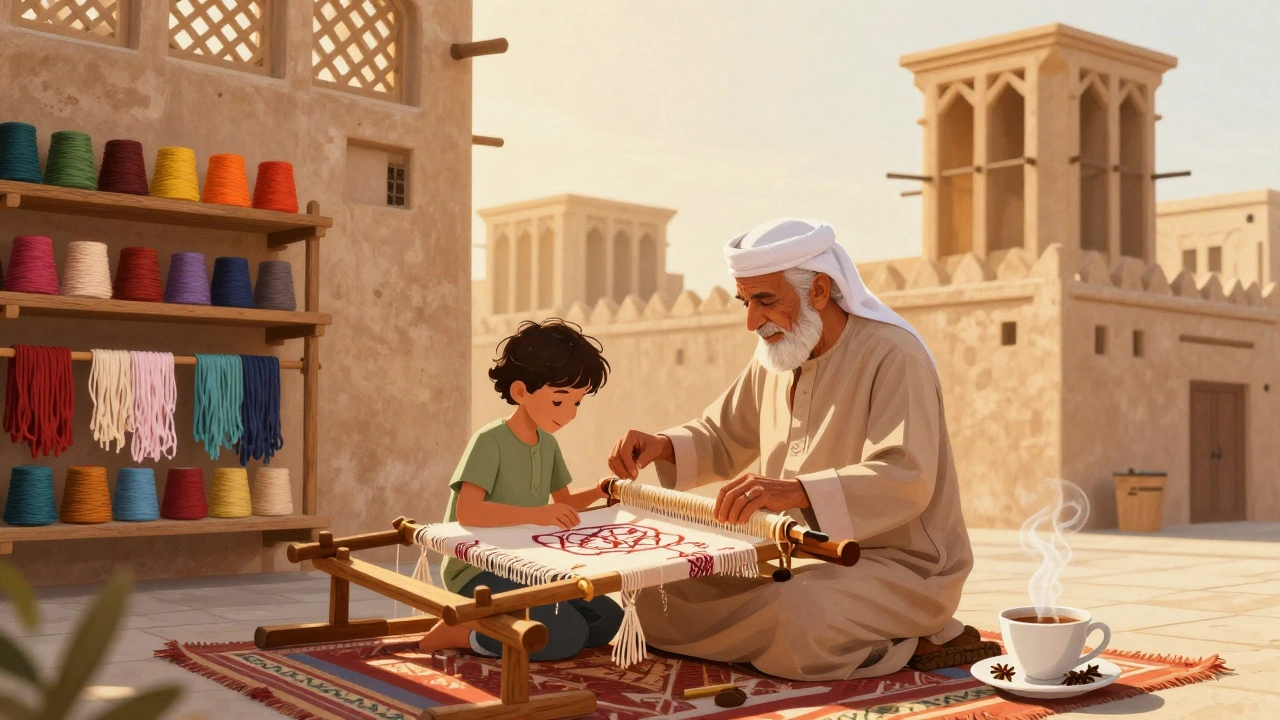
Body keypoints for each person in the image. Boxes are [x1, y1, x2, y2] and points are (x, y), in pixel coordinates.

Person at [607, 218, 997, 681]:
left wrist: (796, 492)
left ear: (818, 291)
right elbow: (723, 432)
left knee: (800, 615)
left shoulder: (894, 355)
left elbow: (906, 475)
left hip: (899, 567)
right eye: (745, 301)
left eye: (765, 300)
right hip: (791, 553)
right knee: (657, 593)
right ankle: (829, 636)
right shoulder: (776, 355)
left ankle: (908, 635)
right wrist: (663, 445)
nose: (751, 320)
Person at [419, 318, 624, 660]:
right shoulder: (489, 441)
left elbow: (564, 503)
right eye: (560, 402)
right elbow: (467, 512)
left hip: (525, 563)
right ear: (520, 392)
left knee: (606, 619)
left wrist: (601, 490)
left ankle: (504, 621)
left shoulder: (548, 446)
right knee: (566, 634)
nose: (570, 414)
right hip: (476, 567)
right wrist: (538, 515)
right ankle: (464, 633)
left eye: (577, 403)